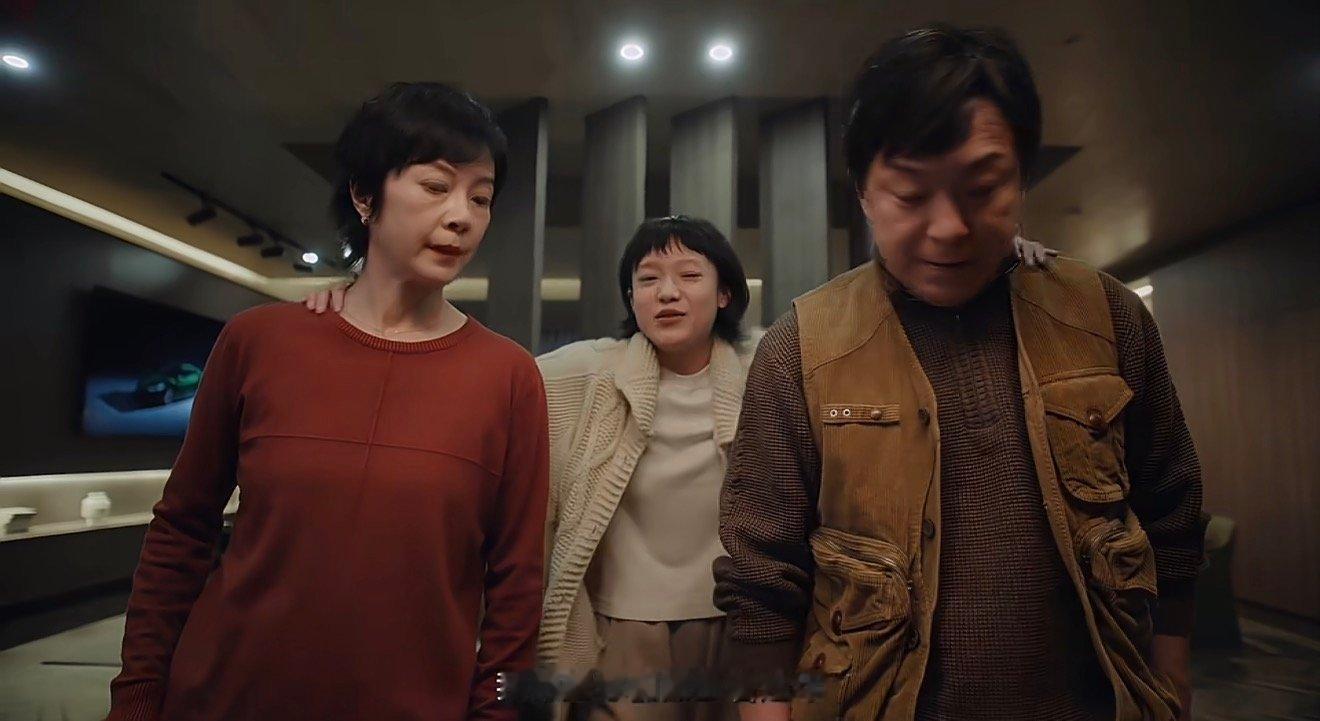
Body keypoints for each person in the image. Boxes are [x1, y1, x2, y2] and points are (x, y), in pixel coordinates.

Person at [713, 24, 1204, 721]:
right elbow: (761, 575)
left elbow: (1172, 507)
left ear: (1022, 176)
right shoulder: (802, 347)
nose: (949, 227)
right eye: (911, 195)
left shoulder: (1105, 315)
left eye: (981, 187)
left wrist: (1172, 671)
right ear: (864, 192)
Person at [107, 82, 548, 721]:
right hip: (225, 696)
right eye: (435, 186)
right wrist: (139, 693)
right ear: (364, 195)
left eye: (481, 197)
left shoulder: (508, 375)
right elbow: (181, 530)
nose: (462, 216)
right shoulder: (259, 342)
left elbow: (516, 583)